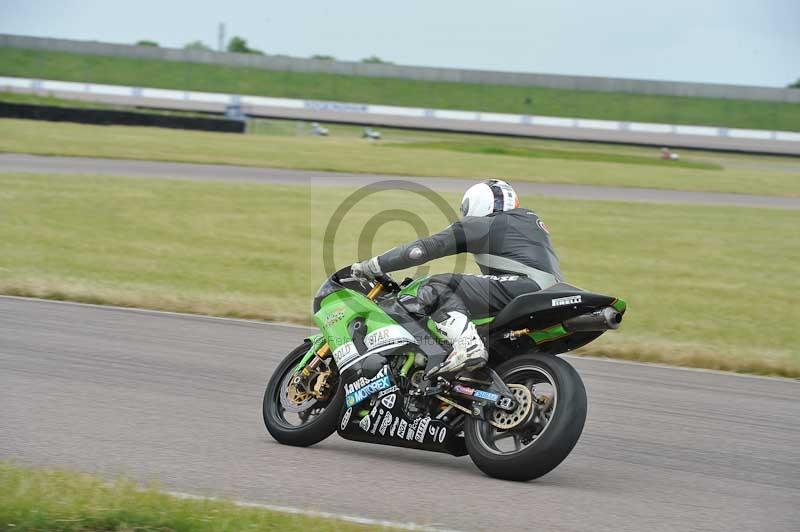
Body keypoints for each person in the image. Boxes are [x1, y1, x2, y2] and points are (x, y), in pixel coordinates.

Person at [351, 179, 563, 377]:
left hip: (524, 287)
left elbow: (421, 250)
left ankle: (467, 346)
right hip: (548, 292)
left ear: (478, 203)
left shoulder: (485, 224)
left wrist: (372, 265)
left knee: (438, 284)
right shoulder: (528, 223)